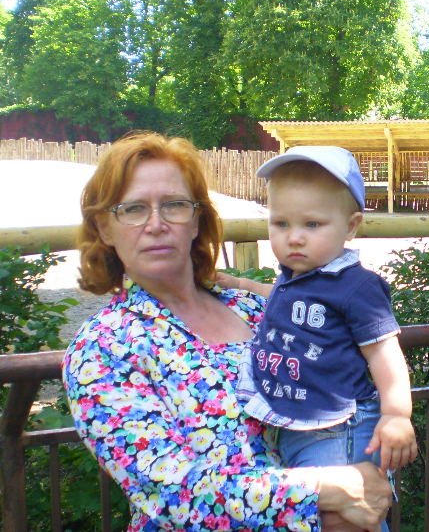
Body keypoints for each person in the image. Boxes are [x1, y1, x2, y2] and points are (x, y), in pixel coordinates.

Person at [61, 132, 392, 532]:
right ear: (105, 228)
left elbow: (355, 388)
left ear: (196, 220)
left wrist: (367, 473)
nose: (156, 224)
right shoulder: (102, 348)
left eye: (174, 205)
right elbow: (170, 494)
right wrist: (324, 491)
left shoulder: (258, 309)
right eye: (133, 209)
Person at [230, 147, 417, 498]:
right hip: (293, 422)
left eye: (312, 224)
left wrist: (396, 415)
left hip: (339, 428)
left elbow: (384, 353)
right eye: (281, 223)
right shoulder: (295, 276)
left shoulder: (357, 286)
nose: (294, 237)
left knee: (341, 511)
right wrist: (242, 285)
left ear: (351, 225)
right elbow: (284, 300)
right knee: (309, 512)